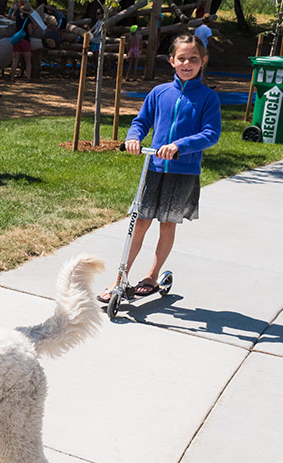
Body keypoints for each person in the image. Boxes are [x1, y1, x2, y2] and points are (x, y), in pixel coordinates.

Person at [97, 34, 221, 303]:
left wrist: (180, 145)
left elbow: (211, 134)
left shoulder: (208, 98)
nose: (187, 63)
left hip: (183, 170)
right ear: (172, 61)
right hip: (153, 167)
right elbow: (141, 121)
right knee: (140, 222)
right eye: (182, 59)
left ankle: (152, 276)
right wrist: (133, 137)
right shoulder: (160, 93)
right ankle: (120, 278)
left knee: (167, 224)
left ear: (203, 62)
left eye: (194, 59)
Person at [9, 0, 36, 82]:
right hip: (25, 41)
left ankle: (12, 77)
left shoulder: (17, 17)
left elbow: (12, 16)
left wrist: (15, 9)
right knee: (28, 61)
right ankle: (28, 78)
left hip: (17, 40)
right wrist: (33, 27)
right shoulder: (28, 20)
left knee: (15, 61)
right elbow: (30, 32)